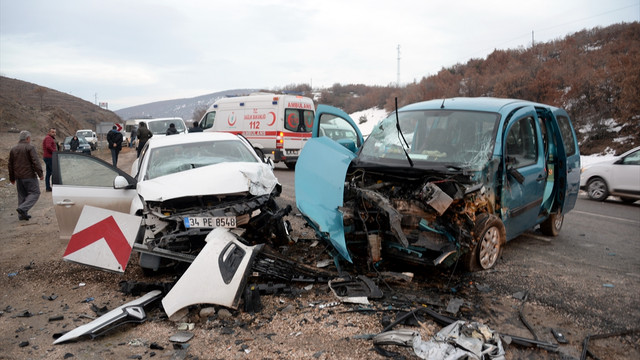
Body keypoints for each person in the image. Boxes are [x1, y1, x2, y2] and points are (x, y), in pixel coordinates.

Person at [9, 131, 44, 221]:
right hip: (29, 176)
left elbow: (10, 165)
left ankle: (22, 215)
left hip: (18, 177)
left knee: (22, 195)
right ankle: (23, 208)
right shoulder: (30, 147)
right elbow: (35, 161)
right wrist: (40, 174)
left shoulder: (13, 149)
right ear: (28, 138)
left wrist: (12, 178)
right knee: (35, 193)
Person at [42, 127, 57, 192]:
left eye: (55, 132)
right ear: (49, 132)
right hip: (49, 157)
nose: (54, 133)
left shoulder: (49, 138)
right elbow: (48, 146)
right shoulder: (48, 138)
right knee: (54, 172)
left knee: (48, 173)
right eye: (52, 132)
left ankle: (48, 187)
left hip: (47, 157)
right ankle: (55, 186)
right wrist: (54, 151)